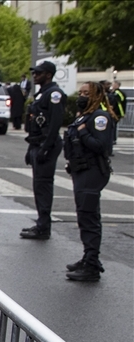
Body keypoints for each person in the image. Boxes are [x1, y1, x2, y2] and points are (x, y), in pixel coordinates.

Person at [62, 81, 116, 283]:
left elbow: (101, 146)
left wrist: (83, 131)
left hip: (93, 171)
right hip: (81, 171)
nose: (82, 96)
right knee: (84, 216)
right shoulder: (85, 116)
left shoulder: (100, 117)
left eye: (87, 93)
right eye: (81, 92)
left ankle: (92, 265)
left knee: (89, 218)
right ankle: (88, 258)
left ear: (97, 96)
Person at [19, 61, 65, 240]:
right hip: (37, 144)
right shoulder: (42, 94)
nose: (35, 75)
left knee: (43, 186)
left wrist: (45, 149)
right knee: (38, 187)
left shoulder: (54, 94)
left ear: (48, 74)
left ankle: (44, 227)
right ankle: (41, 223)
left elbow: (54, 124)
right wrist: (31, 148)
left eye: (39, 73)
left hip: (47, 145)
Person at [107, 80, 125, 145]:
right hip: (116, 112)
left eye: (113, 84)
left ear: (117, 85)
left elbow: (119, 103)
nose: (112, 86)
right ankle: (113, 139)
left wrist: (120, 113)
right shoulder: (114, 92)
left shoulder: (117, 93)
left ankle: (113, 139)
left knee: (113, 126)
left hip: (116, 112)